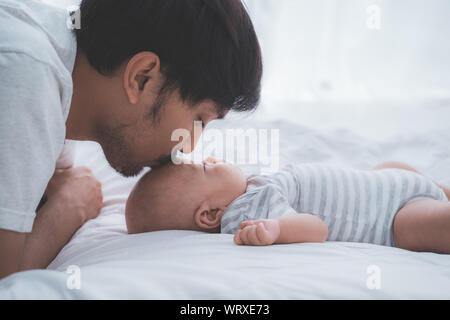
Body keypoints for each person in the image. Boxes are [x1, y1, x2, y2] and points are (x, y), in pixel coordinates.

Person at [0, 0, 262, 278]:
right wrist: (69, 207)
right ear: (142, 78)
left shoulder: (61, 72)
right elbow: (5, 281)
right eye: (199, 120)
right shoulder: (25, 74)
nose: (190, 146)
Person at [125, 159, 450, 254]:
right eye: (206, 168)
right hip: (394, 213)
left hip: (389, 186)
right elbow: (317, 229)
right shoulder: (248, 209)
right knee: (413, 228)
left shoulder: (248, 187)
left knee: (389, 167)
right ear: (210, 214)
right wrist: (277, 229)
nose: (211, 159)